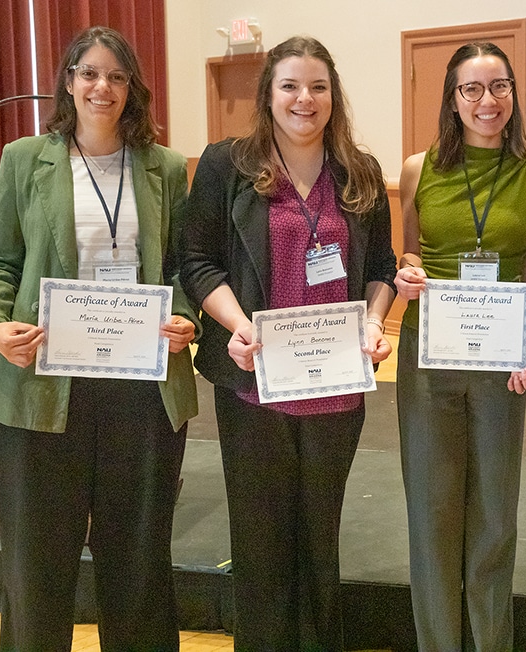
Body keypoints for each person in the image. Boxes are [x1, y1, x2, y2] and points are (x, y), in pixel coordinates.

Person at [0, 26, 197, 651]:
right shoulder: (24, 159)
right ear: (68, 80)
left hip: (142, 393)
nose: (103, 87)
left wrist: (185, 317)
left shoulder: (166, 167)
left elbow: (181, 269)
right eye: (90, 73)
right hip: (44, 390)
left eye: (117, 77)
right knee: (38, 569)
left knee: (139, 564)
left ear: (132, 89)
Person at [179, 36, 396, 650]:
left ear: (334, 96)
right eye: (291, 85)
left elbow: (379, 265)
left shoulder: (361, 171)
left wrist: (376, 321)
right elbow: (196, 261)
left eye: (319, 87)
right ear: (268, 93)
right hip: (252, 387)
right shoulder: (227, 165)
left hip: (335, 390)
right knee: (259, 538)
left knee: (318, 535)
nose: (306, 99)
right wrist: (236, 323)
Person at [393, 42, 526, 650]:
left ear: (513, 94)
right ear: (453, 98)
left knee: (494, 515)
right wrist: (407, 273)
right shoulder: (417, 169)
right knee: (432, 518)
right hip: (429, 356)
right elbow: (408, 255)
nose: (487, 102)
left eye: (499, 87)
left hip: (500, 361)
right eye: (472, 89)